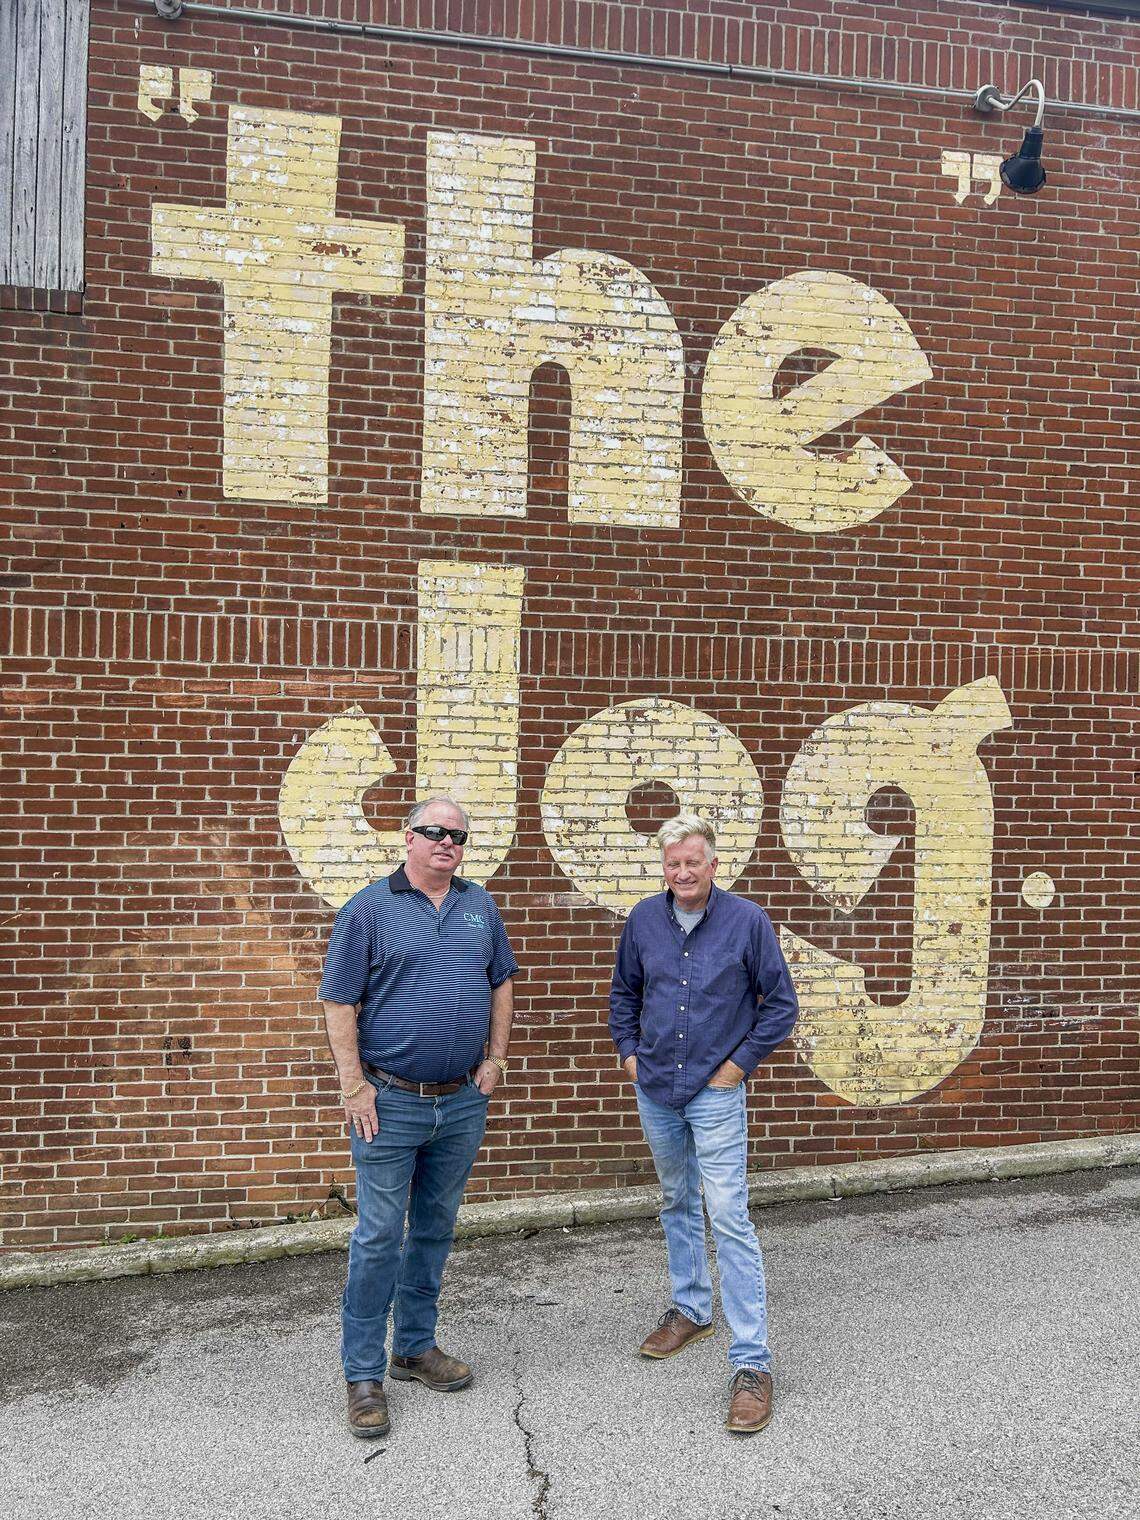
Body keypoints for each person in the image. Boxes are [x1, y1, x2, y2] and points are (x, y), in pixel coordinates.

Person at [318, 796, 518, 1440]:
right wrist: (353, 1086)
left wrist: (496, 1059)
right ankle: (362, 1374)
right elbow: (338, 999)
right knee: (379, 1234)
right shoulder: (369, 909)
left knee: (433, 1227)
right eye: (434, 832)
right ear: (408, 838)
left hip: (460, 1101)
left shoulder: (478, 905)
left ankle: (414, 1346)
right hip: (390, 1101)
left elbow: (501, 980)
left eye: (458, 835)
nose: (446, 843)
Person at [609, 812, 799, 1434]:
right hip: (656, 1088)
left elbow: (781, 1006)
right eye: (673, 864)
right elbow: (624, 994)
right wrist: (630, 1054)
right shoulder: (643, 920)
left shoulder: (748, 921)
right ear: (663, 868)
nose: (683, 872)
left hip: (716, 1092)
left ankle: (752, 1363)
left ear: (714, 864)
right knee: (675, 1199)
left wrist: (736, 1068)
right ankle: (691, 1309)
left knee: (729, 1215)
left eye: (693, 862)